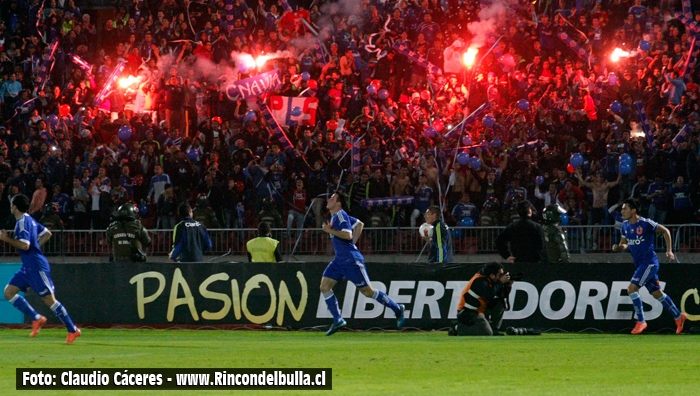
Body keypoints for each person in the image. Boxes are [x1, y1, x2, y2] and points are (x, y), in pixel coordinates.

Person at [320, 188, 405, 336]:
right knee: (324, 286)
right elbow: (359, 224)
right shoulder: (336, 217)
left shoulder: (340, 215)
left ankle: (397, 308)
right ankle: (338, 319)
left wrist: (330, 231)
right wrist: (352, 244)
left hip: (351, 261)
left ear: (338, 204)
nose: (328, 200)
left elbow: (347, 234)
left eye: (332, 198)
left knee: (368, 292)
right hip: (340, 260)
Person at [1, 194, 81, 343]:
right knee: (9, 292)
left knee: (49, 300)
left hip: (36, 267)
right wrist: (35, 246)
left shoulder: (23, 222)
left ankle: (73, 329)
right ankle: (36, 318)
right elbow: (47, 234)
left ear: (15, 207)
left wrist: (6, 239)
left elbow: (25, 245)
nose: (10, 206)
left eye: (12, 204)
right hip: (28, 267)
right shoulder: (28, 219)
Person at [611, 198, 687, 334]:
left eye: (625, 208)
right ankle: (678, 316)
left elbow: (665, 231)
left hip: (649, 263)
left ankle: (641, 321)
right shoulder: (625, 225)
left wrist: (669, 250)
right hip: (640, 264)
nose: (622, 211)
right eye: (622, 209)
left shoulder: (645, 223)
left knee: (632, 289)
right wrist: (618, 247)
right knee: (657, 293)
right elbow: (625, 244)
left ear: (633, 210)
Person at [452, 262, 511, 336]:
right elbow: (489, 294)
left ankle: (494, 329)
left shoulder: (491, 280)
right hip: (469, 312)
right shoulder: (479, 280)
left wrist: (507, 286)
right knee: (486, 333)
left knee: (500, 303)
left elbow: (501, 295)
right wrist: (500, 282)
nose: (501, 277)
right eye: (500, 275)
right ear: (492, 275)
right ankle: (457, 328)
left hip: (480, 309)